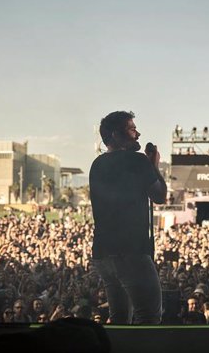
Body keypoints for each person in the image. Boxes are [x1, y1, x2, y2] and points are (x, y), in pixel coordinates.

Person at [89, 111, 168, 324]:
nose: (138, 133)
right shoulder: (137, 161)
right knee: (149, 317)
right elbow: (160, 195)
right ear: (116, 135)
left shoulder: (97, 165)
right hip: (131, 251)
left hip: (103, 253)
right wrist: (154, 166)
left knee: (119, 319)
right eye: (132, 129)